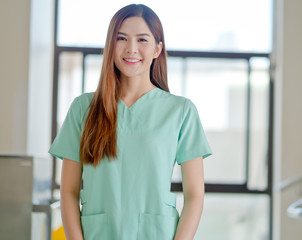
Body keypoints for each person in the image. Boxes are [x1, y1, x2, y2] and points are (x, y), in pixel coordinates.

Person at [49, 4, 212, 240]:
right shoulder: (83, 109)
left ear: (157, 49)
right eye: (121, 38)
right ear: (110, 46)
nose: (131, 49)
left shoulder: (181, 111)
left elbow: (195, 194)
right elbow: (69, 191)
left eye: (142, 40)